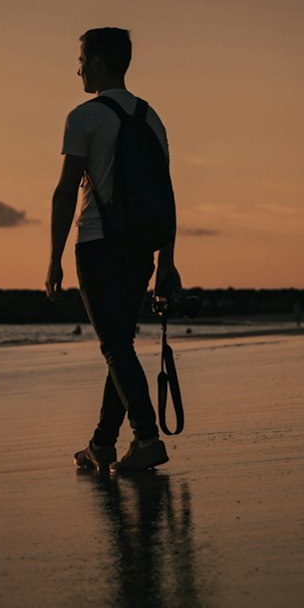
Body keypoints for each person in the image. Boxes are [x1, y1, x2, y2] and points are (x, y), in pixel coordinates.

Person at [45, 27, 180, 474]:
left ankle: (145, 438)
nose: (78, 68)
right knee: (119, 345)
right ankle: (102, 444)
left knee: (114, 347)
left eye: (81, 59)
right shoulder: (151, 117)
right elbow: (166, 197)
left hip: (99, 243)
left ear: (99, 62)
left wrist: (54, 259)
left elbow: (65, 193)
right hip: (141, 247)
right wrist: (167, 262)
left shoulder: (84, 116)